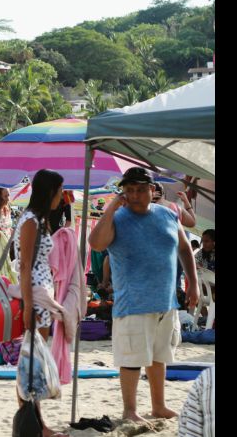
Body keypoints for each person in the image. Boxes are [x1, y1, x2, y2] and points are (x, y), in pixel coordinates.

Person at [89, 166, 198, 424]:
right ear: (123, 193)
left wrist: (192, 283)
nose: (135, 195)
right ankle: (129, 410)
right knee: (132, 358)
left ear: (152, 190)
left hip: (165, 300)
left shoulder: (167, 214)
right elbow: (96, 243)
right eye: (129, 190)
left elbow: (184, 248)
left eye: (140, 189)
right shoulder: (117, 218)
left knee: (159, 356)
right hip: (133, 302)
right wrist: (113, 206)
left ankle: (158, 405)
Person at [13, 169, 66, 437]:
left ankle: (37, 424)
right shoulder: (32, 220)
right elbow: (24, 265)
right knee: (31, 363)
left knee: (34, 361)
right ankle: (34, 425)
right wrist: (28, 306)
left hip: (40, 295)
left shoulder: (39, 219)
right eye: (59, 191)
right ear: (49, 192)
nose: (62, 197)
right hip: (34, 295)